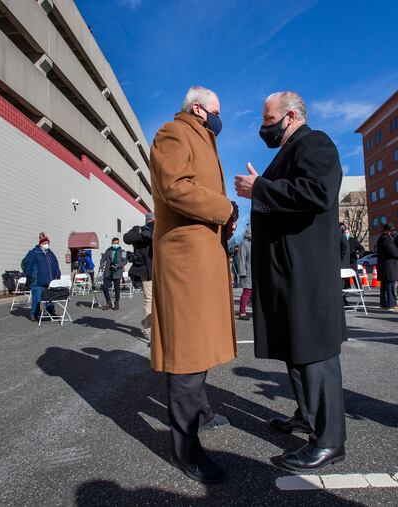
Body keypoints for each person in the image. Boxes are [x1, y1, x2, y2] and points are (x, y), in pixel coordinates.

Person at [235, 91, 346, 472]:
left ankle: (329, 441)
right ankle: (307, 416)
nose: (263, 129)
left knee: (314, 353)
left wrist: (259, 189)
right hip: (288, 271)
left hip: (307, 273)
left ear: (291, 115)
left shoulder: (315, 143)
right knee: (296, 350)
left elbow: (318, 193)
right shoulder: (288, 151)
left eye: (268, 121)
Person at [150, 86, 238, 484]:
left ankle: (200, 413)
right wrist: (226, 208)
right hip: (186, 260)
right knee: (186, 352)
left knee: (198, 343)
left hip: (202, 258)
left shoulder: (202, 137)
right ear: (199, 108)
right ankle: (186, 450)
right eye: (218, 110)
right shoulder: (174, 132)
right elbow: (177, 188)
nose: (222, 117)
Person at [123, 213, 155, 339]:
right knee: (149, 300)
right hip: (145, 271)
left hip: (161, 271)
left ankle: (149, 324)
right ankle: (148, 331)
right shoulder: (139, 229)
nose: (152, 222)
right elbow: (127, 238)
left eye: (153, 220)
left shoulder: (160, 229)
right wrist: (144, 235)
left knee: (159, 301)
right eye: (151, 220)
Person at [23, 234, 60, 322]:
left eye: (47, 242)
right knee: (37, 297)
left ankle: (51, 311)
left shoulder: (50, 253)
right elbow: (28, 265)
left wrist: (58, 275)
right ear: (40, 244)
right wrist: (28, 276)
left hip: (50, 280)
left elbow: (56, 265)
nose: (46, 244)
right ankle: (34, 314)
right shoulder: (34, 253)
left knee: (49, 297)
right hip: (38, 280)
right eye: (44, 243)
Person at [376, 223, 398, 311]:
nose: (394, 232)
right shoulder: (386, 238)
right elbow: (392, 252)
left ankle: (384, 304)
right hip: (389, 266)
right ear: (388, 230)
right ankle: (391, 305)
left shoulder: (381, 238)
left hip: (384, 266)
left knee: (384, 286)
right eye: (393, 230)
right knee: (390, 286)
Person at [100, 238, 127, 311]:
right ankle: (109, 302)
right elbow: (103, 259)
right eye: (114, 243)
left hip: (117, 272)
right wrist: (101, 264)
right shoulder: (108, 250)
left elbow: (124, 262)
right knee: (105, 287)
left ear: (119, 243)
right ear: (112, 243)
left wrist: (117, 266)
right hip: (108, 272)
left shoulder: (123, 251)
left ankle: (116, 303)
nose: (115, 244)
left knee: (117, 288)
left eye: (117, 243)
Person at [237, 228, 252, 320]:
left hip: (253, 273)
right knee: (247, 292)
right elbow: (241, 259)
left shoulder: (253, 243)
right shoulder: (244, 243)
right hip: (247, 273)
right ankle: (242, 313)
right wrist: (242, 272)